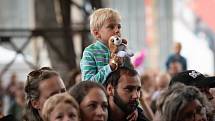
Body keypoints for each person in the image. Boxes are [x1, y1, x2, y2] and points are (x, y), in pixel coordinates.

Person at [80, 8, 124, 84]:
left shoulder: (121, 50)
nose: (117, 30)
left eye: (119, 27)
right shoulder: (90, 52)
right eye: (111, 27)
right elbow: (88, 84)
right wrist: (110, 67)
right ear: (97, 33)